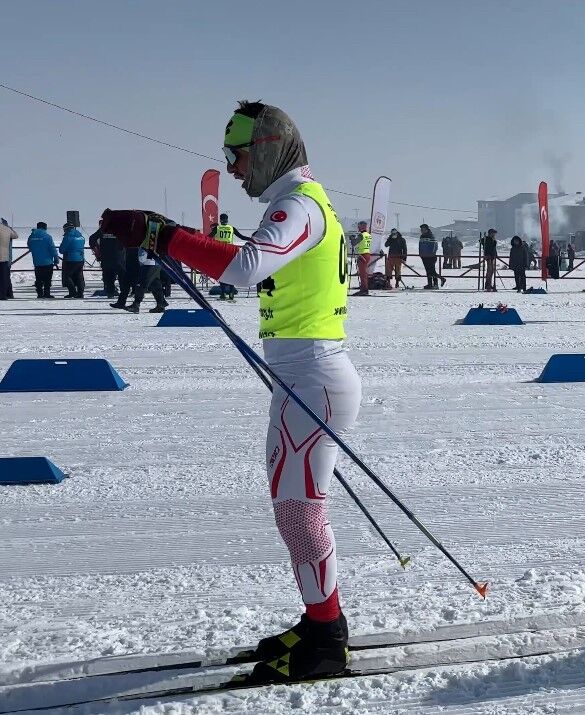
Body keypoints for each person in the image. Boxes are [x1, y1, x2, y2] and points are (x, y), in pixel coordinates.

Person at [100, 101, 359, 682]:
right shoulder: (298, 203)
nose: (234, 170)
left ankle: (326, 639)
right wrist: (164, 235)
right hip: (301, 374)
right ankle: (321, 623)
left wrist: (162, 235)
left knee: (299, 509)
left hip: (312, 376)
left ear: (268, 147)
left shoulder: (299, 206)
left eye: (236, 157)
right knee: (294, 506)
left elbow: (243, 268)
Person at [210, 213, 249, 300]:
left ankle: (223, 294)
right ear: (227, 220)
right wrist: (251, 239)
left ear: (220, 220)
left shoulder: (217, 228)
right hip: (230, 251)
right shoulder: (231, 228)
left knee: (222, 273)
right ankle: (231, 292)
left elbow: (209, 237)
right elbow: (242, 237)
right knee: (231, 272)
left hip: (220, 251)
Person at [124, 248, 168, 313]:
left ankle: (136, 305)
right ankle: (161, 304)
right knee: (155, 284)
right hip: (152, 261)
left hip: (150, 261)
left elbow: (151, 245)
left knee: (142, 283)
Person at [27, 222, 58, 299]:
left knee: (38, 279)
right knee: (47, 279)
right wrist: (56, 258)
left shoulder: (31, 236)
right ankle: (47, 293)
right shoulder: (47, 237)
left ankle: (39, 293)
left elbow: (29, 246)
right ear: (45, 228)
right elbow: (52, 248)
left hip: (37, 261)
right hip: (48, 261)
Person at [58, 223, 87, 299]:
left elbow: (61, 249)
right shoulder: (81, 237)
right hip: (80, 259)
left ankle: (72, 292)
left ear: (66, 229)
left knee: (67, 276)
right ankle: (80, 293)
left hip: (70, 259)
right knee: (79, 276)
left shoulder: (68, 237)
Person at [418, 225, 442, 289]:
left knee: (432, 271)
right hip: (424, 256)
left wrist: (432, 254)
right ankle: (430, 284)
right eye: (421, 229)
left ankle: (437, 283)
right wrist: (420, 254)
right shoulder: (421, 236)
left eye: (423, 229)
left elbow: (435, 246)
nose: (421, 231)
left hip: (431, 257)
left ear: (426, 229)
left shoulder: (431, 236)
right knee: (428, 271)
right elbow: (420, 246)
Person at [352, 221, 372, 296]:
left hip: (362, 255)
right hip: (367, 254)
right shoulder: (368, 235)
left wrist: (352, 239)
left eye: (359, 226)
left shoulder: (361, 235)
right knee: (364, 273)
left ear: (362, 226)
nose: (358, 227)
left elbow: (354, 243)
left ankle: (364, 289)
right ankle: (364, 288)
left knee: (362, 274)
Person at [0, 219, 15, 299]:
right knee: (5, 277)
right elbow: (15, 235)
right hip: (6, 257)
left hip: (5, 257)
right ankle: (6, 294)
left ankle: (7, 293)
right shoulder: (7, 230)